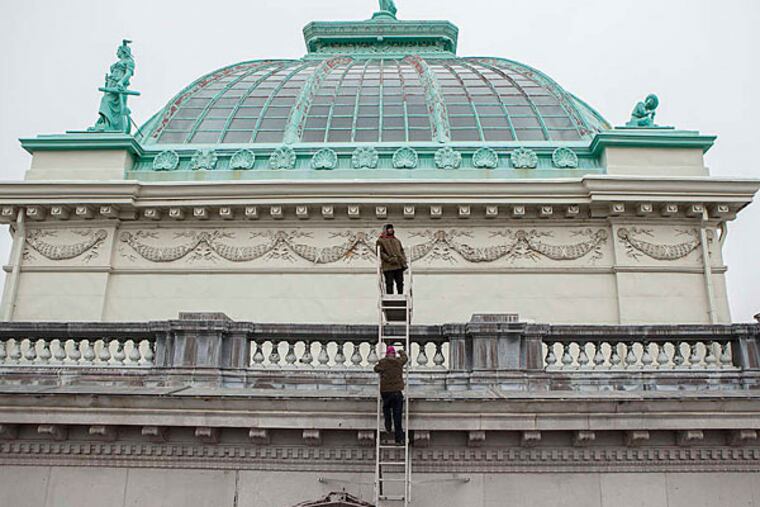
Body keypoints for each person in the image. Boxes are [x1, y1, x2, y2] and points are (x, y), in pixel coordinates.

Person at [374, 345, 408, 444]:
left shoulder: (383, 362)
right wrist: (401, 351)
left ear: (386, 354)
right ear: (393, 354)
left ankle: (388, 425)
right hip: (397, 392)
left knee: (386, 409)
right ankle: (399, 439)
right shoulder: (398, 362)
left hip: (386, 391)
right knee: (397, 416)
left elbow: (376, 369)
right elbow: (405, 358)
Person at [376, 224, 408, 295]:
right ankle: (390, 295)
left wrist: (403, 260)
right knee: (389, 282)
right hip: (388, 266)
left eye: (391, 228)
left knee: (400, 282)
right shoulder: (380, 240)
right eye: (389, 228)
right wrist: (389, 259)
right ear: (386, 230)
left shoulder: (397, 240)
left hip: (398, 264)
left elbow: (401, 251)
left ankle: (400, 294)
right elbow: (380, 252)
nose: (391, 230)